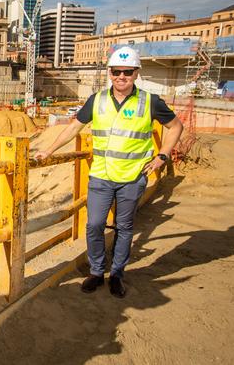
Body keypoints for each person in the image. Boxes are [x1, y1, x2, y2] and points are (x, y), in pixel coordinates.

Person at [35, 46, 184, 298]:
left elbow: (175, 126)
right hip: (101, 176)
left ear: (136, 73)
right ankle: (96, 272)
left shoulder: (150, 102)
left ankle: (116, 274)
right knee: (94, 225)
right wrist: (48, 151)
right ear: (110, 73)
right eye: (117, 71)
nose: (121, 76)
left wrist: (162, 155)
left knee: (124, 227)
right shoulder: (97, 99)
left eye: (127, 71)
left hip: (132, 177)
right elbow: (73, 128)